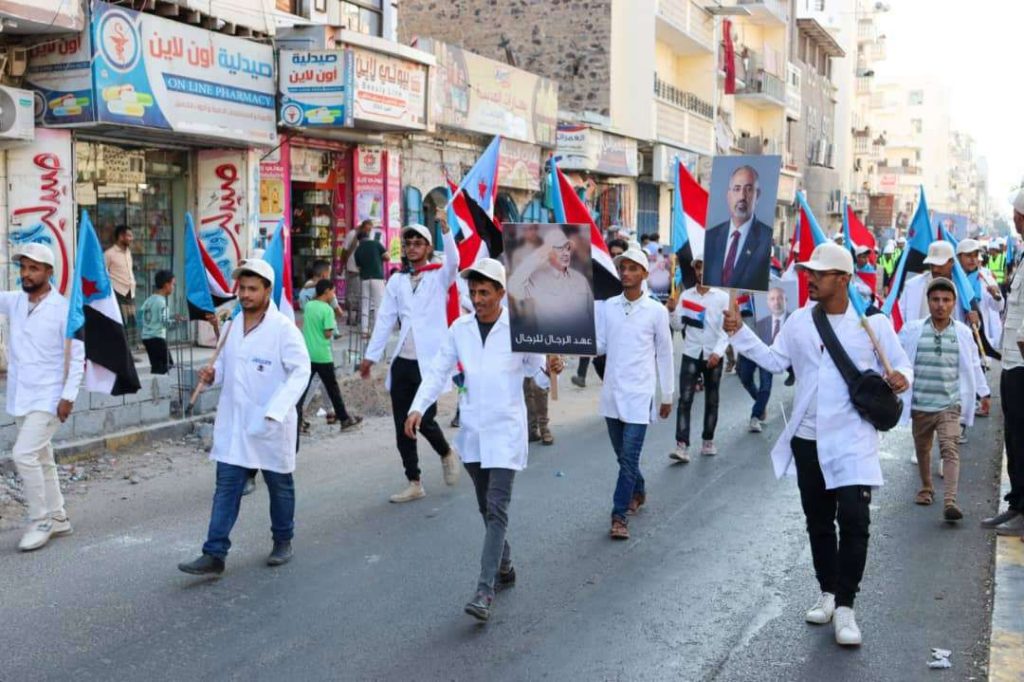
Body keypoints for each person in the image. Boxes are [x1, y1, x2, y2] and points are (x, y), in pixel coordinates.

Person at [723, 242, 912, 647]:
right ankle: (828, 592)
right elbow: (775, 361)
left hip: (853, 438)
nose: (810, 279)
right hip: (808, 437)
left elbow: (901, 363)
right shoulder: (798, 322)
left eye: (820, 274)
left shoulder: (872, 324)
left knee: (855, 521)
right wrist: (739, 333)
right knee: (819, 520)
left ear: (843, 280)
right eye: (809, 272)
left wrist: (902, 378)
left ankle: (846, 606)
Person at [404, 258, 562, 622]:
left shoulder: (522, 328)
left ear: (501, 293)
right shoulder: (460, 328)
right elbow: (438, 371)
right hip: (474, 433)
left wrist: (550, 367)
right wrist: (417, 407)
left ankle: (484, 590)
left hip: (505, 433)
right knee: (485, 508)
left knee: (497, 508)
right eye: (473, 292)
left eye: (484, 292)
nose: (477, 299)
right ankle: (504, 563)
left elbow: (538, 377)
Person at [178, 259, 311, 576]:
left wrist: (276, 410)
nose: (246, 295)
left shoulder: (283, 330)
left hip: (269, 424)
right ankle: (214, 553)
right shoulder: (231, 327)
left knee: (279, 486)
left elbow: (301, 371)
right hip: (235, 424)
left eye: (253, 289)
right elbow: (226, 366)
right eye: (242, 288)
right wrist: (212, 374)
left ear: (267, 290)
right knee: (226, 487)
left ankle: (283, 541)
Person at [361, 217, 461, 503]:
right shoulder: (397, 281)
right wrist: (370, 356)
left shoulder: (439, 276)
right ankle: (414, 481)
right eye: (408, 243)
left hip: (429, 363)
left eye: (419, 243)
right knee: (401, 426)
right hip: (403, 362)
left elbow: (454, 262)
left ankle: (446, 452)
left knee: (424, 419)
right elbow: (385, 319)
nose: (413, 247)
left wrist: (446, 232)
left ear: (428, 247)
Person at [1, 244, 84, 551]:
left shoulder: (64, 310)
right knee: (42, 457)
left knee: (23, 454)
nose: (26, 273)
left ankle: (40, 520)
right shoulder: (15, 301)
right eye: (23, 267)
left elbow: (78, 356)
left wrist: (68, 396)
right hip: (22, 394)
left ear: (49, 272)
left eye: (33, 268)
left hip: (50, 397)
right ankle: (58, 516)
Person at [597, 247, 674, 540]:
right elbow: (600, 344)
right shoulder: (608, 307)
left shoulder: (656, 311)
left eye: (632, 268)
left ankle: (619, 516)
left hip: (640, 396)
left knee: (629, 457)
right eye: (623, 268)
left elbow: (665, 354)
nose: (626, 273)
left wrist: (667, 395)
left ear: (644, 273)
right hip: (612, 394)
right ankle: (638, 489)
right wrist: (566, 349)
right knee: (623, 456)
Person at [898, 278, 989, 521]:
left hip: (950, 404)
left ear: (953, 303)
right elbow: (897, 358)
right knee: (923, 449)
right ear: (928, 302)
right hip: (920, 404)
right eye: (936, 300)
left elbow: (973, 364)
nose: (941, 305)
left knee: (950, 449)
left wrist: (984, 392)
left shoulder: (963, 334)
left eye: (946, 300)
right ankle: (926, 487)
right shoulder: (912, 331)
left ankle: (950, 501)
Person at [981, 190, 1024, 537]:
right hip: (1012, 361)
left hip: (1023, 362)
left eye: (1017, 212)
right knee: (1015, 435)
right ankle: (1018, 504)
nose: (1014, 217)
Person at [666, 255, 728, 460]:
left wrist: (718, 352)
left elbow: (726, 330)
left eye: (704, 268)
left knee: (712, 399)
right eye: (698, 268)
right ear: (694, 270)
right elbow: (678, 326)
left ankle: (708, 440)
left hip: (713, 355)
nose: (701, 272)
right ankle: (681, 445)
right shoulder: (686, 296)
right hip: (691, 353)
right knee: (685, 400)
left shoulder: (722, 297)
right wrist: (672, 312)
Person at [297, 279, 363, 438]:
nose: (334, 295)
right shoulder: (327, 309)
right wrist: (333, 327)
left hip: (308, 353)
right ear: (326, 292)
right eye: (333, 292)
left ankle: (297, 420)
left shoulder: (309, 306)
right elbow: (327, 333)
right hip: (323, 355)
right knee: (333, 389)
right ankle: (344, 419)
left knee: (303, 389)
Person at [702, 165, 774, 290]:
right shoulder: (710, 237)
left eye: (748, 189)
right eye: (737, 189)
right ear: (728, 195)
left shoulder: (766, 239)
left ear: (757, 195)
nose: (742, 196)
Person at [573, 238, 627, 388]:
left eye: (619, 254)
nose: (615, 257)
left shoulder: (630, 278)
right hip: (598, 323)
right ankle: (582, 375)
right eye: (612, 254)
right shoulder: (599, 273)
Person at [297, 260, 344, 427]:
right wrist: (332, 320)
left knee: (326, 379)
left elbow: (304, 312)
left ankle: (331, 411)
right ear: (324, 274)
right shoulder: (327, 293)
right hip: (322, 342)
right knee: (319, 379)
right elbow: (338, 312)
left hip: (309, 339)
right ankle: (300, 412)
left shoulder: (304, 293)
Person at [738, 284, 789, 433]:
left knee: (765, 384)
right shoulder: (741, 288)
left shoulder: (774, 285)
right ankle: (760, 402)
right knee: (745, 378)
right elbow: (736, 314)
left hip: (767, 344)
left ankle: (755, 416)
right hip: (748, 346)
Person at [956, 238, 1003, 357]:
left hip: (979, 338)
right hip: (957, 338)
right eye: (968, 255)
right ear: (959, 257)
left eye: (975, 255)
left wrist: (996, 297)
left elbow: (998, 307)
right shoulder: (953, 280)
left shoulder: (985, 278)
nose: (973, 259)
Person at [898, 240, 955, 324]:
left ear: (951, 262)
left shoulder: (962, 290)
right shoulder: (912, 286)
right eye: (932, 264)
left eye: (939, 265)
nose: (935, 269)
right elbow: (900, 316)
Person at [138, 269, 182, 375]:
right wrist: (177, 322)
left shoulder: (149, 300)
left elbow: (141, 316)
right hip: (157, 338)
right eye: (173, 284)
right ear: (166, 285)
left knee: (156, 366)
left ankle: (154, 383)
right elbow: (165, 323)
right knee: (168, 364)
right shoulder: (162, 302)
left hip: (146, 338)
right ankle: (159, 384)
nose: (173, 287)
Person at [354, 223, 388, 338]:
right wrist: (378, 258)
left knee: (365, 304)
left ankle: (365, 330)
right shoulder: (376, 244)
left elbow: (358, 267)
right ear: (368, 236)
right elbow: (387, 257)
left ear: (359, 240)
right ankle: (377, 331)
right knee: (378, 304)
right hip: (377, 277)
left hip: (364, 279)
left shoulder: (358, 250)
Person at [104, 225, 137, 342]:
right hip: (117, 292)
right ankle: (122, 350)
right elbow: (103, 273)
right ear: (121, 237)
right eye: (129, 236)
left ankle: (131, 349)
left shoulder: (128, 252)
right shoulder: (109, 254)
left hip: (130, 293)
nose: (131, 238)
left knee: (131, 324)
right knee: (120, 324)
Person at [341, 220, 373, 325]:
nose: (369, 232)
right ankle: (350, 317)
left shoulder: (368, 236)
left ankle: (359, 317)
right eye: (367, 229)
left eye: (370, 230)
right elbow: (344, 250)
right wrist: (341, 266)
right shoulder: (352, 234)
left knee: (362, 294)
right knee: (351, 294)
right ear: (362, 227)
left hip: (363, 270)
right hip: (352, 269)